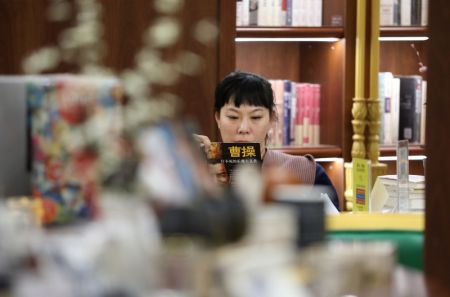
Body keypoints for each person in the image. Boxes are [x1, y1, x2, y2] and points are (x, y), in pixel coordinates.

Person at [194, 71, 340, 211]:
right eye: (233, 117)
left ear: (272, 118)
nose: (243, 128)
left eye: (256, 117)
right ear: (218, 118)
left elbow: (334, 231)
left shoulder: (307, 172)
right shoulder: (196, 172)